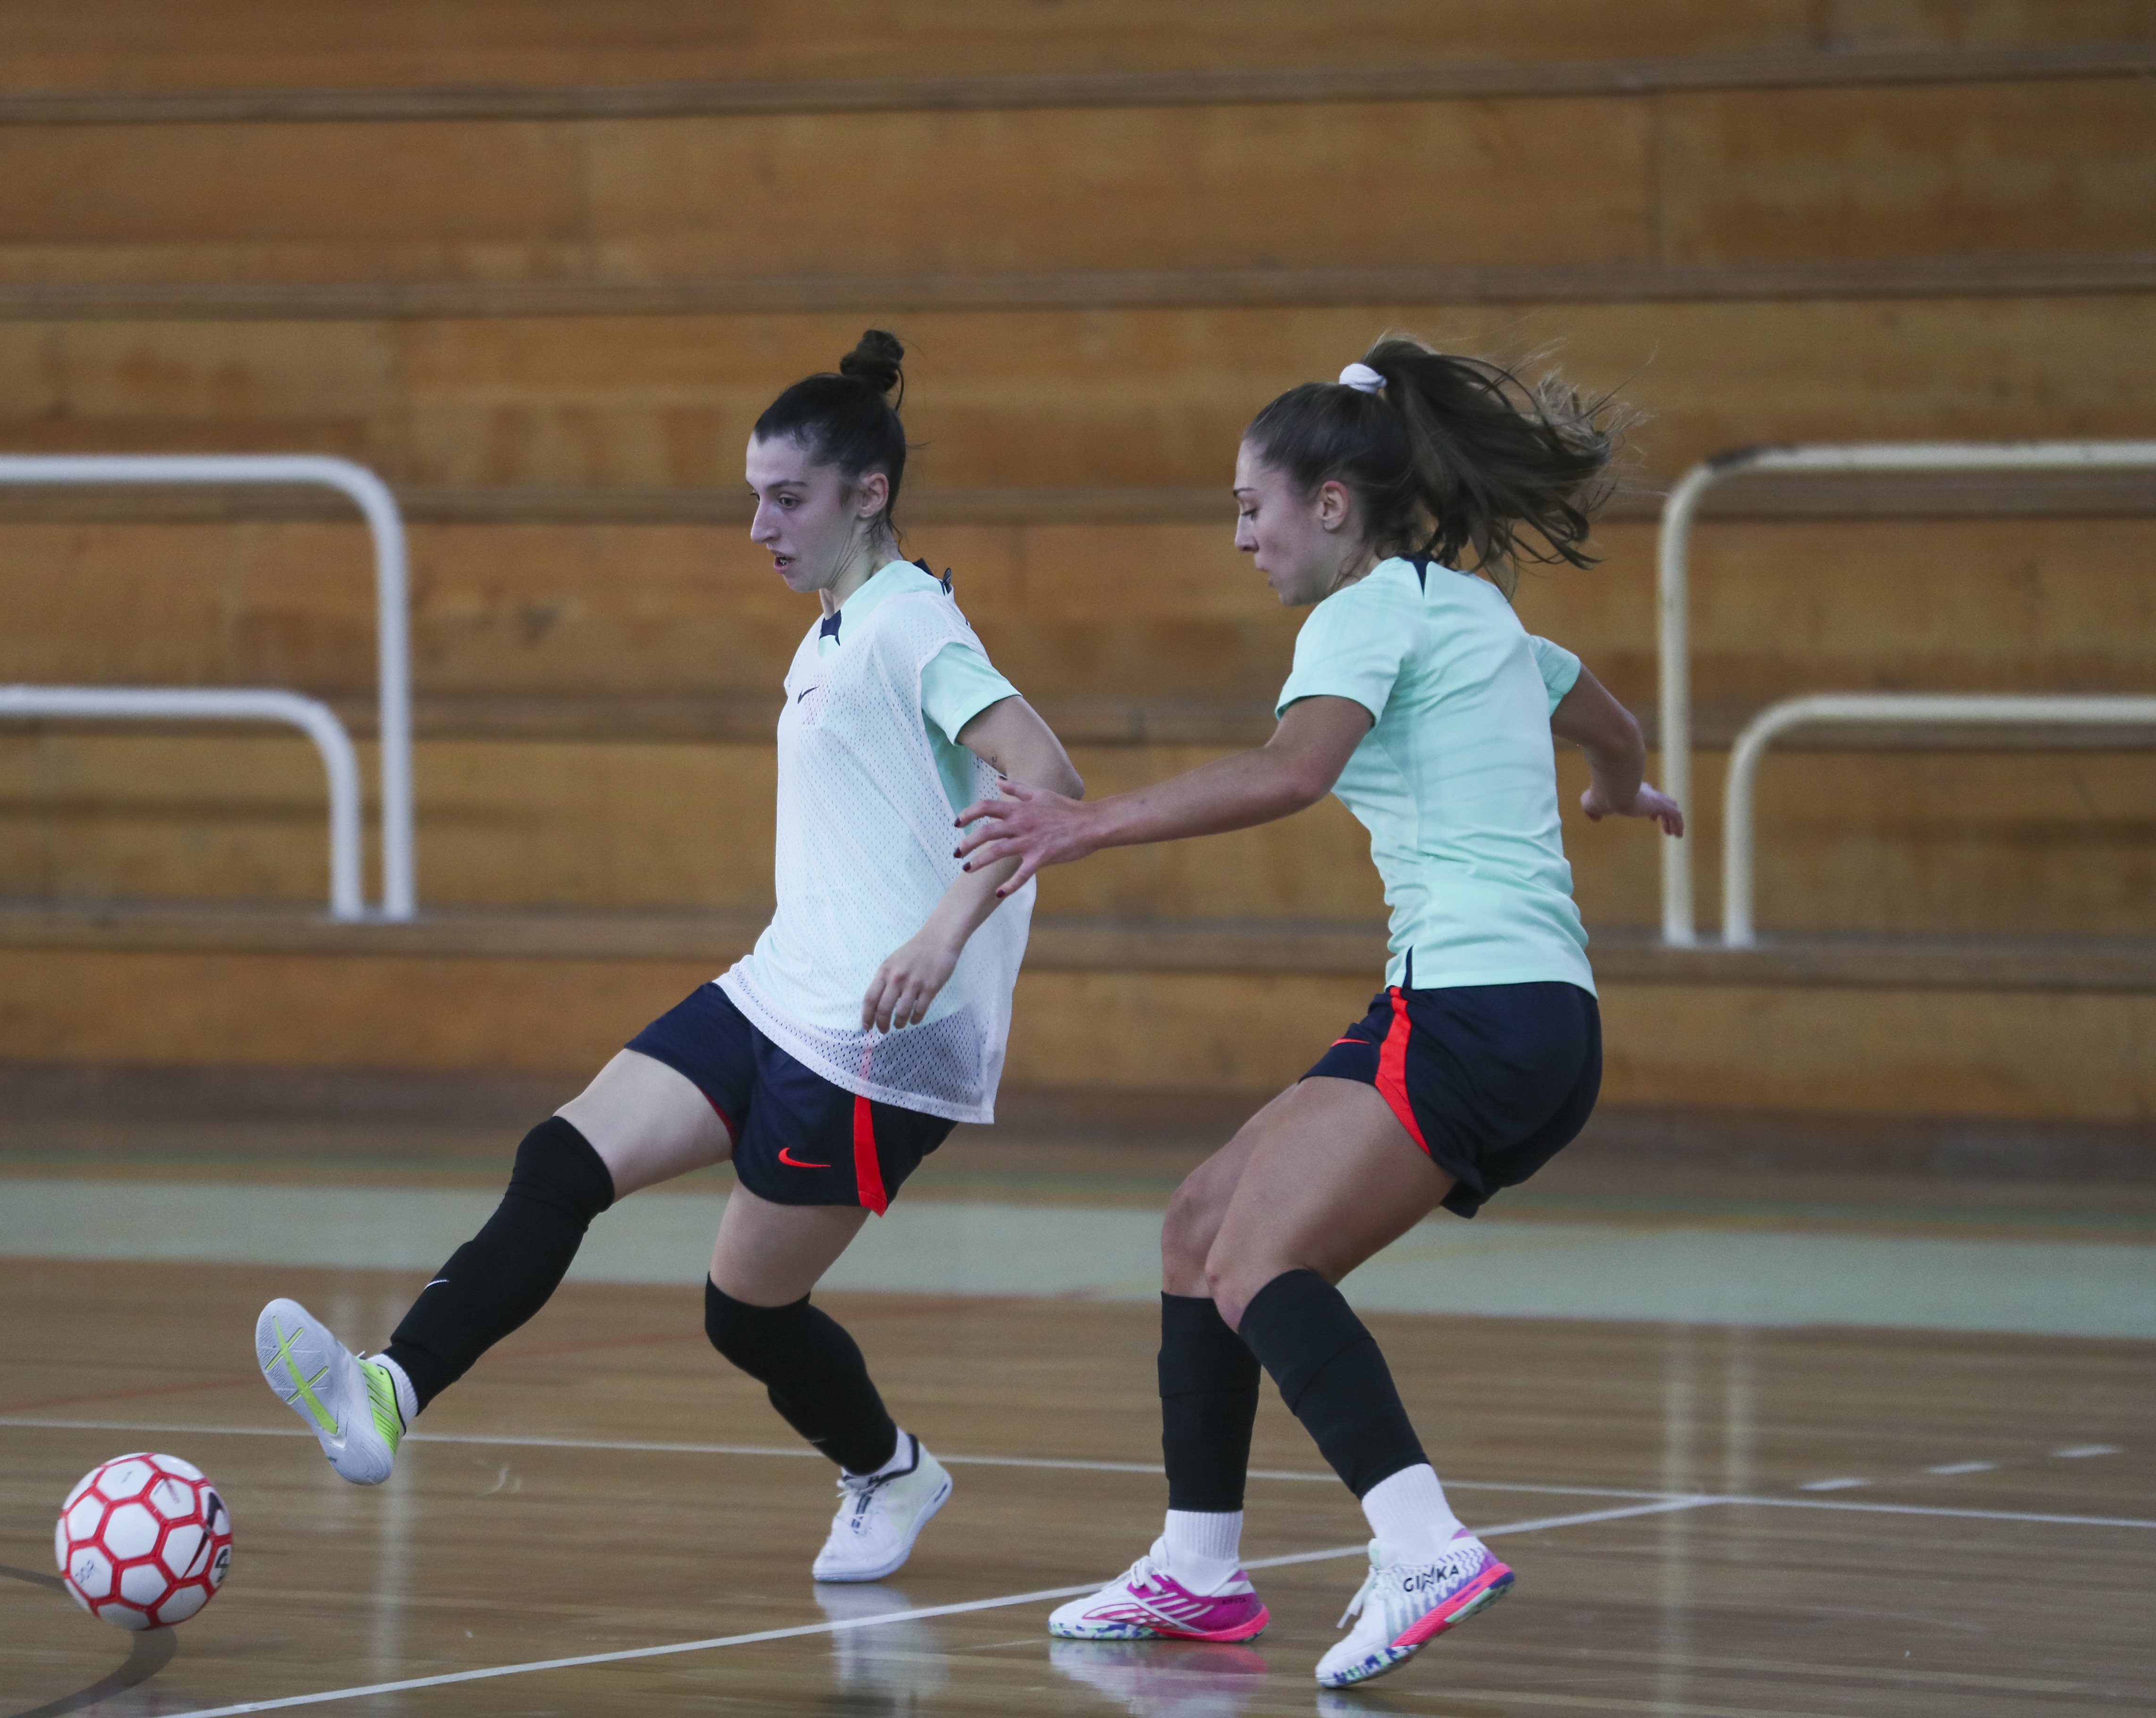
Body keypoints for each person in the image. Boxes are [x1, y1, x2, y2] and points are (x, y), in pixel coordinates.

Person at [255, 330, 1084, 1585]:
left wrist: (941, 933)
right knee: (562, 1159)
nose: (758, 525)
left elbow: (1052, 779)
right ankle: (387, 1394)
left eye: (786, 498)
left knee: (743, 1313)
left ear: (870, 495)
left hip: (875, 1037)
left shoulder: (911, 621)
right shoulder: (832, 629)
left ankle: (893, 1472)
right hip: (776, 990)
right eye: (752, 496)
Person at [955, 337, 1681, 1687]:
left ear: (1331, 506)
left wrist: (1086, 821)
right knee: (1199, 1225)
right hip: (1523, 1011)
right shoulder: (1478, 618)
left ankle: (1420, 1543)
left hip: (1472, 1004)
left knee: (1258, 1269)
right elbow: (1613, 721)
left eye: (1251, 506)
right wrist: (1617, 793)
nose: (1241, 537)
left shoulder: (1362, 615)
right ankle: (1198, 1568)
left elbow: (1295, 774)